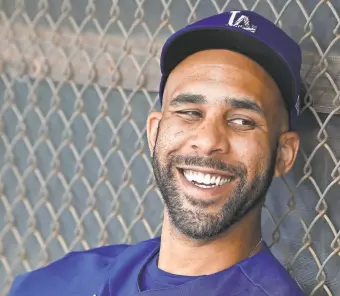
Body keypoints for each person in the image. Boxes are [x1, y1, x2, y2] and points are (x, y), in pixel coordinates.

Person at [9, 10, 305, 296]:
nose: (207, 141)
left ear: (283, 154)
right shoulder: (66, 279)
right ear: (154, 132)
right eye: (190, 112)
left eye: (242, 121)